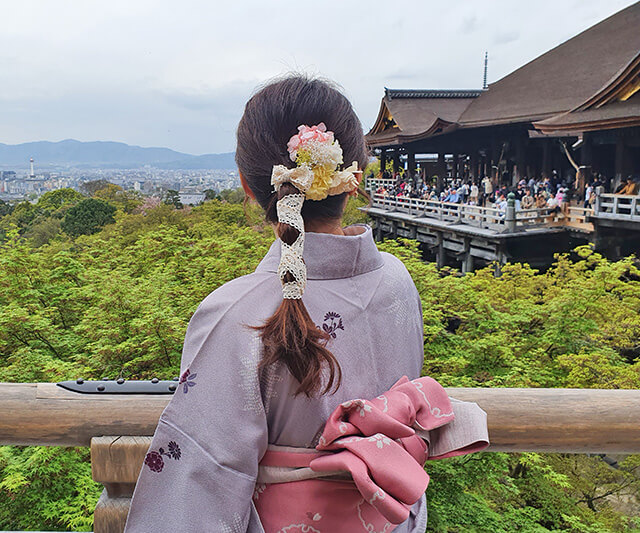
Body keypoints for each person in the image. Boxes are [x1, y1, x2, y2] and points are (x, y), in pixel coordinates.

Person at [125, 76, 488, 533]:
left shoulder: (237, 314)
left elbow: (200, 477)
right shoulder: (398, 280)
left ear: (248, 185)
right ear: (354, 178)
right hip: (394, 518)